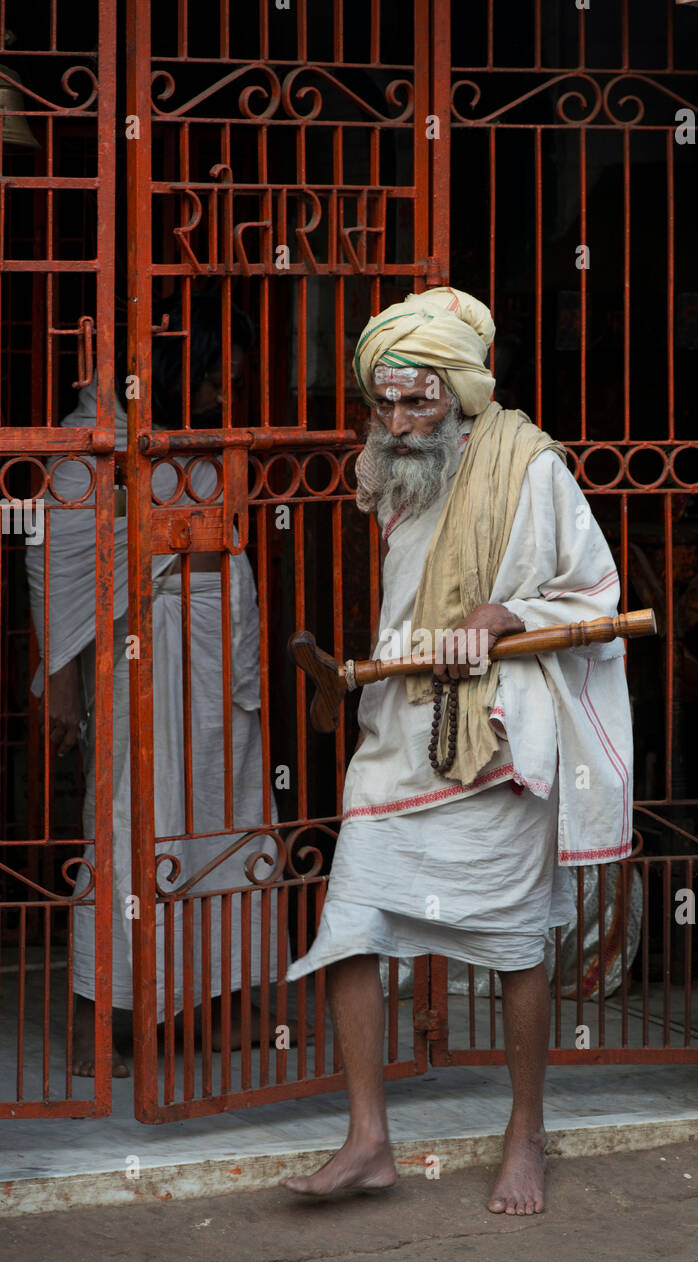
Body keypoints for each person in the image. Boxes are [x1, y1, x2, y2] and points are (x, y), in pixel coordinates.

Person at [280, 286, 633, 1214]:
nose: (396, 422)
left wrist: (501, 612)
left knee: (515, 945)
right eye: (383, 402)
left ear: (462, 394)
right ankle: (367, 1139)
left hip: (496, 737)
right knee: (349, 919)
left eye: (418, 402)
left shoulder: (527, 467)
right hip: (398, 730)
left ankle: (526, 1133)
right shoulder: (395, 472)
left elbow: (597, 595)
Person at [26, 293, 293, 1077]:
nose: (221, 393)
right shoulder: (92, 441)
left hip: (217, 658)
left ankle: (216, 1010)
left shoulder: (198, 432)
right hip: (139, 653)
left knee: (227, 817)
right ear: (173, 368)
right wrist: (62, 680)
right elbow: (57, 569)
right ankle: (95, 1018)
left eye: (230, 378)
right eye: (211, 377)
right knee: (129, 823)